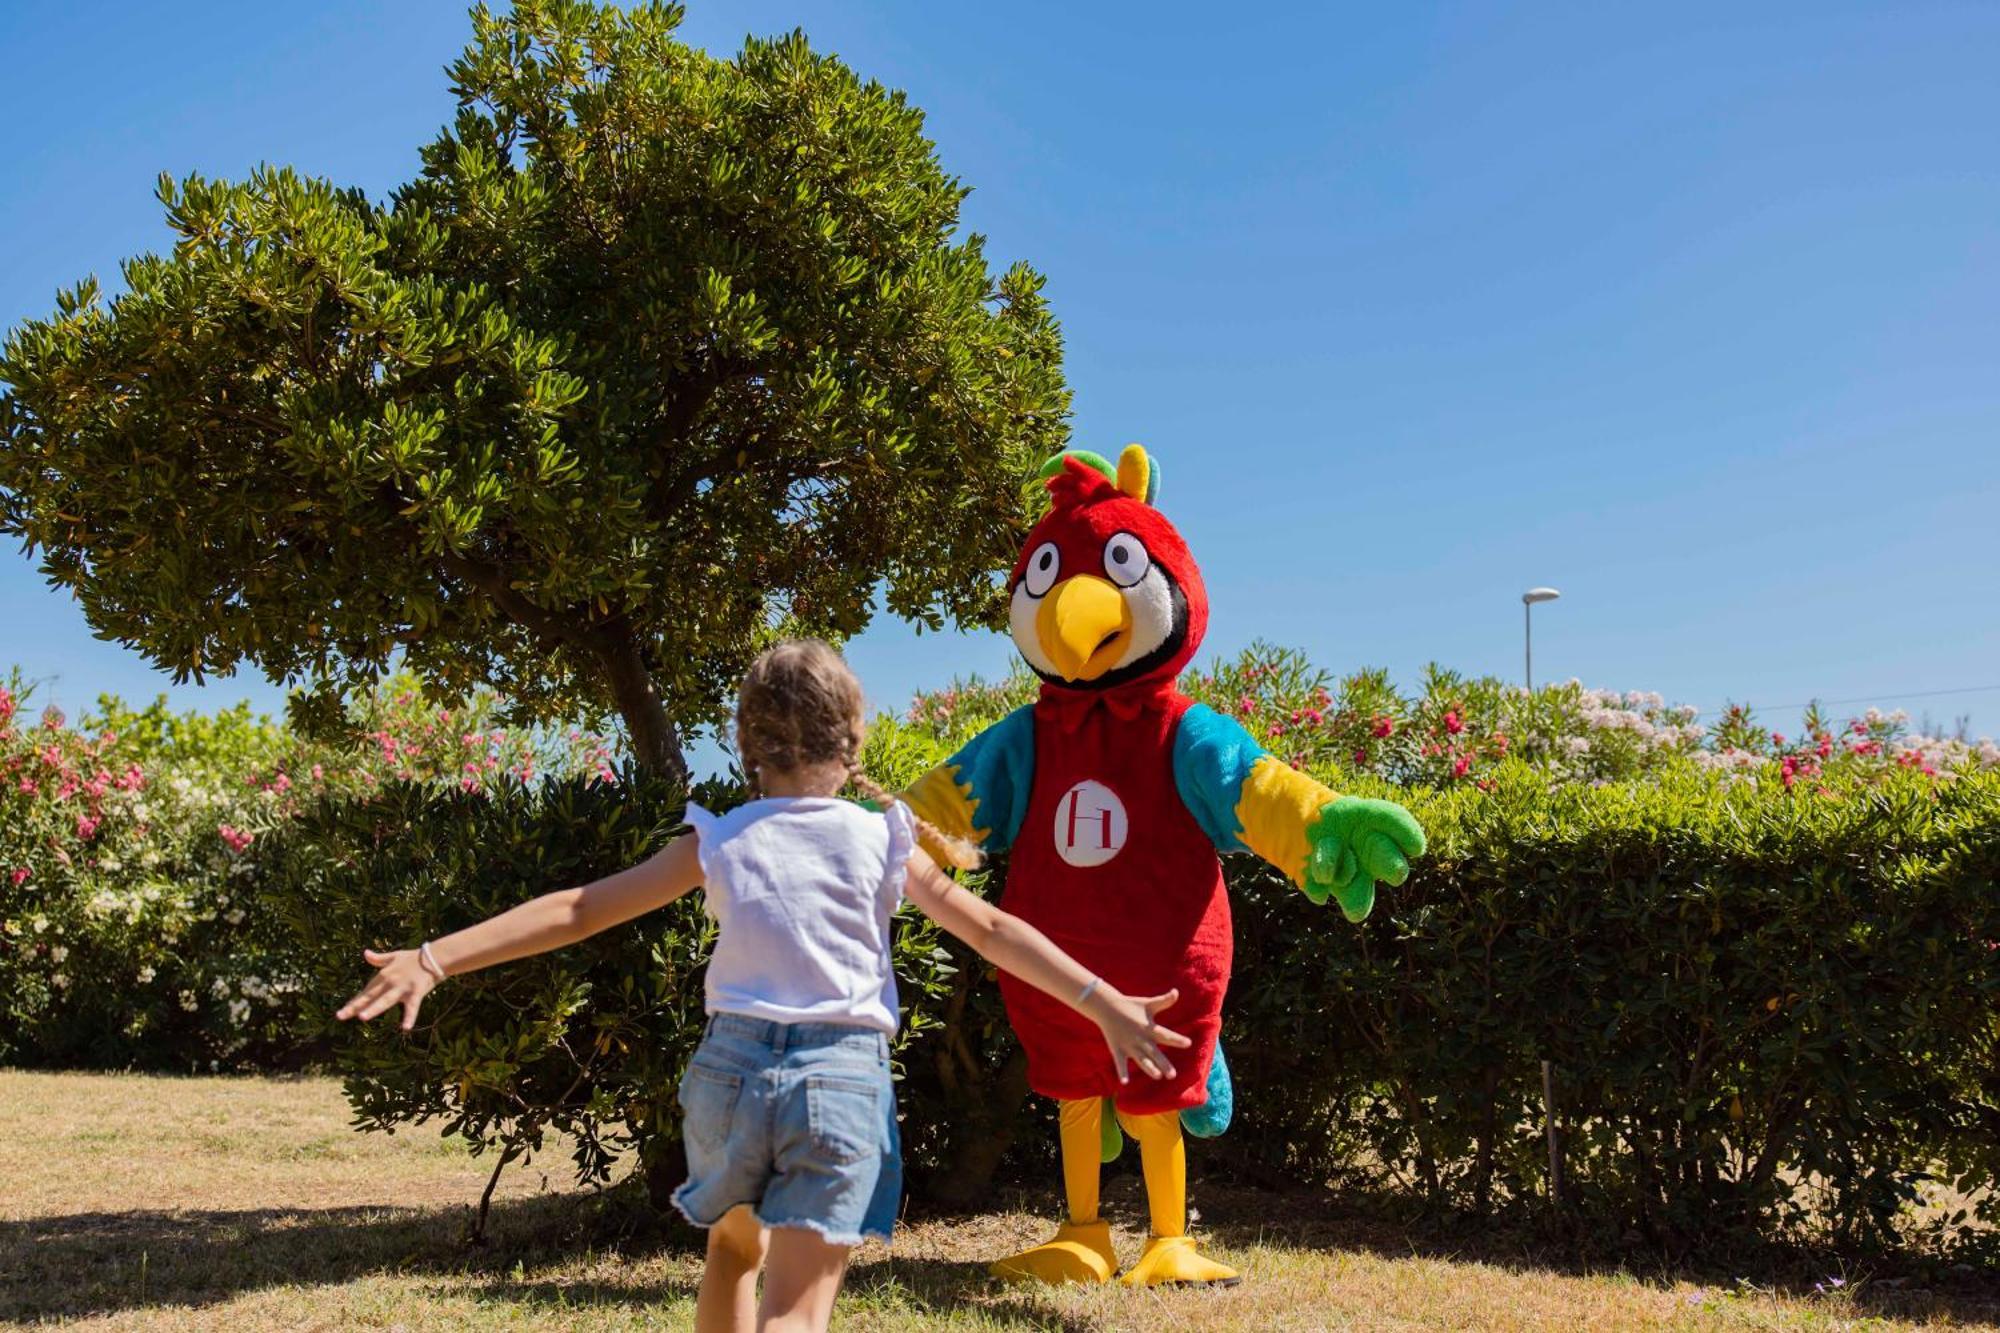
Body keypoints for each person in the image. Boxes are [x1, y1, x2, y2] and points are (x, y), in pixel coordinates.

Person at [337, 639, 1192, 1333]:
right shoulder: (882, 839)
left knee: (732, 1255)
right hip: (839, 1084)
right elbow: (996, 931)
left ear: (746, 744)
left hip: (729, 1080)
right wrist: (1102, 999)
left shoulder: (717, 839)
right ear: (852, 739)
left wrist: (437, 956)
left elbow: (576, 909)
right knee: (794, 1308)